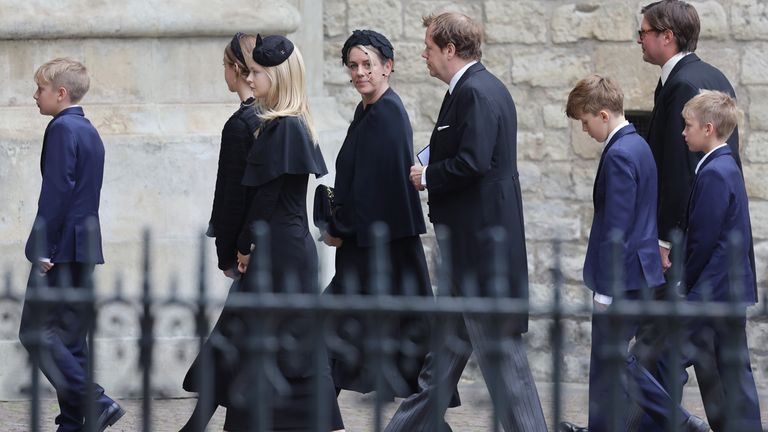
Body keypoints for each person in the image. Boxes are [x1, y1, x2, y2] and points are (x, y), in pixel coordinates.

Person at [386, 12, 547, 432]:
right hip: (470, 249)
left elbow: (473, 162)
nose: (424, 55)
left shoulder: (475, 91)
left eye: (429, 47)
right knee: (441, 362)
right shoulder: (477, 88)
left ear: (450, 50)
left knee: (504, 364)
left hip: (479, 252)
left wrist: (428, 174)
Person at [557, 75, 708, 432]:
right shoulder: (638, 145)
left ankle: (682, 420)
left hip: (622, 277)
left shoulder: (621, 152)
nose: (585, 129)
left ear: (604, 114)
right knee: (609, 362)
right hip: (639, 272)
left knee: (614, 360)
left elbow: (618, 227)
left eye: (586, 120)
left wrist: (606, 291)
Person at [319, 29, 458, 406]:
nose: (360, 72)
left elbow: (374, 192)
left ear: (387, 67)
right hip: (367, 251)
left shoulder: (387, 115)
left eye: (368, 64)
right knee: (340, 341)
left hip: (380, 254)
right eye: (353, 65)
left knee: (338, 339)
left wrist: (337, 229)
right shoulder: (367, 112)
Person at [631, 2, 751, 430]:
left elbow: (681, 174)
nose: (639, 40)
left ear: (668, 36)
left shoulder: (683, 83)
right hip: (713, 259)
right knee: (718, 363)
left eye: (643, 32)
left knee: (650, 355)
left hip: (690, 253)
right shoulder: (708, 76)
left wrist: (666, 241)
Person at [233, 34, 345, 432]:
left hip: (279, 247)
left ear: (278, 78)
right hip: (282, 244)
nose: (252, 79)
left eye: (259, 73)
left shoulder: (285, 128)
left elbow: (266, 198)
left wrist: (245, 246)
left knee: (286, 340)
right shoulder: (284, 125)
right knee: (270, 338)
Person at [18, 58, 124, 432]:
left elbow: (58, 192)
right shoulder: (88, 129)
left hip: (60, 248)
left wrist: (42, 247)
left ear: (60, 93)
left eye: (40, 89)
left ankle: (97, 403)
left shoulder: (62, 128)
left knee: (35, 332)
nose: (35, 96)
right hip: (83, 247)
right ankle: (74, 422)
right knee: (71, 339)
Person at [179, 32, 260, 432]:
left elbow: (233, 196)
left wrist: (230, 252)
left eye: (225, 66)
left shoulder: (243, 123)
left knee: (231, 343)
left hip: (251, 252)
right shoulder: (264, 117)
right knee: (230, 342)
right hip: (262, 246)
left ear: (236, 69)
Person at [671, 90, 761, 430]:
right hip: (724, 291)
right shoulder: (722, 166)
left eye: (688, 126)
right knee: (728, 373)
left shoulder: (715, 172)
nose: (683, 132)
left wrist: (684, 283)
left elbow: (703, 239)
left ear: (708, 128)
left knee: (658, 360)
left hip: (712, 292)